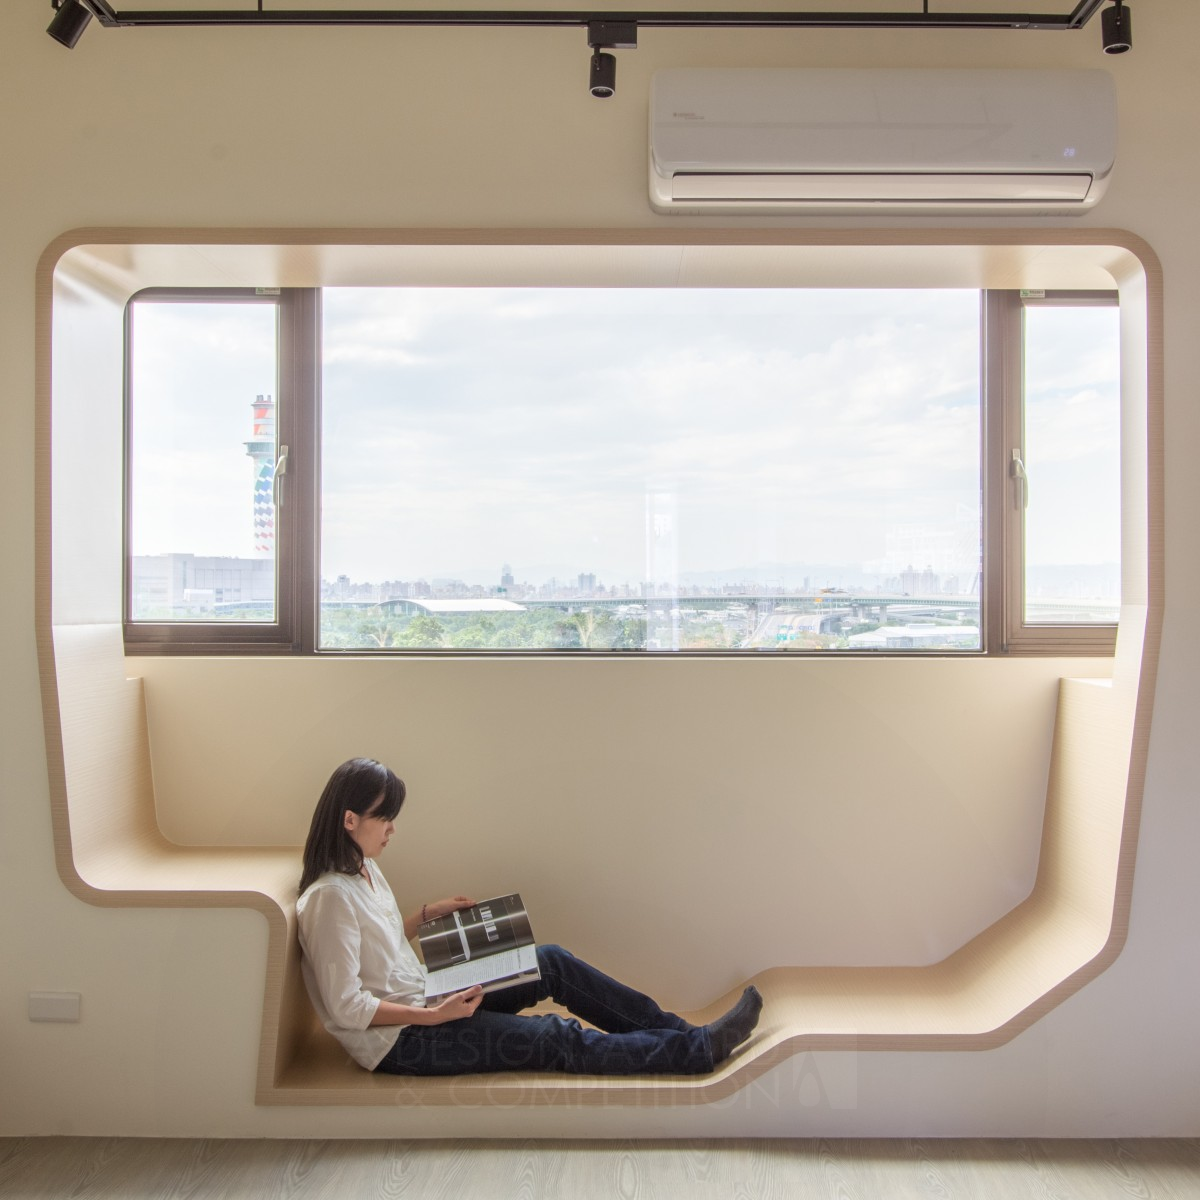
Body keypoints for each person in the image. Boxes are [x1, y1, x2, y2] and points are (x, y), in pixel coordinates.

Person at [297, 757, 763, 1077]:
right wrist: (433, 1018)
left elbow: (374, 948)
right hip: (403, 1040)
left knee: (550, 961)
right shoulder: (328, 898)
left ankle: (683, 1033)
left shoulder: (364, 870)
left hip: (426, 997)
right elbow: (347, 1006)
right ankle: (695, 1052)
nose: (393, 828)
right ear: (349, 820)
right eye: (385, 817)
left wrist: (423, 916)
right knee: (552, 1037)